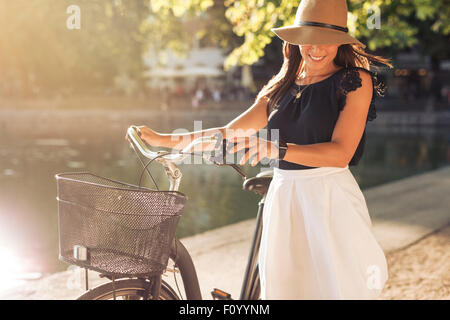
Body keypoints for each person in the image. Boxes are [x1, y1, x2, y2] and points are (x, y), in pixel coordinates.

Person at [128, 0, 393, 300]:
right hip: (284, 195)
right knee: (283, 289)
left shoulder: (354, 81)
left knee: (335, 289)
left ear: (340, 42)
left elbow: (340, 153)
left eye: (327, 40)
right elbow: (229, 132)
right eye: (309, 39)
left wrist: (276, 148)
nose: (317, 48)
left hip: (328, 197)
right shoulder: (283, 84)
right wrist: (165, 139)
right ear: (296, 41)